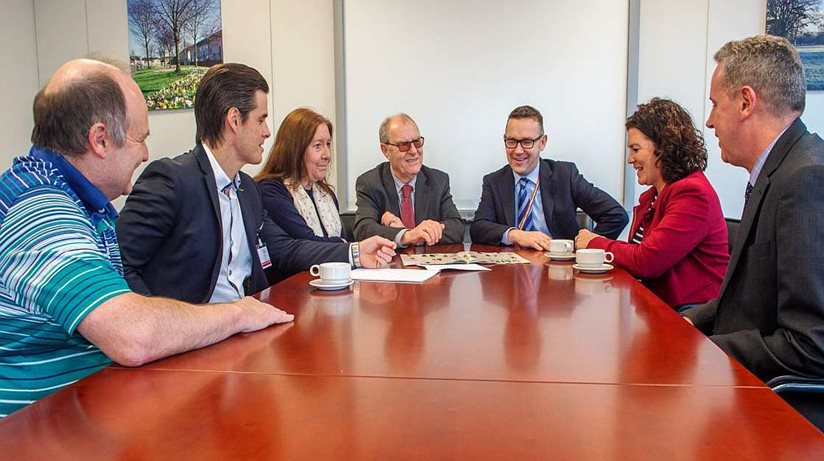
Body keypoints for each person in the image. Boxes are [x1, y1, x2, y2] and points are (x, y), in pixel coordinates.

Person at [0, 59, 293, 418]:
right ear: (100, 139)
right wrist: (237, 313)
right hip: (39, 430)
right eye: (141, 138)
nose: (145, 154)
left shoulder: (80, 203)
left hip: (95, 406)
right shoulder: (42, 212)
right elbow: (133, 335)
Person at [117, 64, 396, 303]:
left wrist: (356, 252)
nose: (267, 132)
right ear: (235, 120)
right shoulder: (171, 180)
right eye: (261, 119)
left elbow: (284, 248)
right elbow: (119, 266)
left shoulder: (247, 190)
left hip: (245, 333)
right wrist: (166, 325)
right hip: (190, 349)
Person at [681, 35, 824, 382]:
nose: (710, 122)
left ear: (746, 102)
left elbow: (811, 344)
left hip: (779, 411)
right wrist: (684, 325)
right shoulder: (782, 168)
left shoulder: (805, 179)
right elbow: (748, 299)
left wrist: (706, 349)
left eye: (715, 105)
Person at [575, 98, 729, 310]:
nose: (630, 159)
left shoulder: (692, 193)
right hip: (657, 307)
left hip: (690, 316)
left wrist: (595, 243)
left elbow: (647, 261)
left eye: (636, 149)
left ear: (664, 148)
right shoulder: (655, 196)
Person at [470, 105, 628, 250]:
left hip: (559, 270)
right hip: (512, 271)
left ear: (542, 143)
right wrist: (517, 235)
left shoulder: (565, 175)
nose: (518, 151)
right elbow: (478, 228)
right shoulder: (494, 181)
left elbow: (616, 215)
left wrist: (586, 248)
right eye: (511, 141)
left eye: (527, 142)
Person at [354, 113, 464, 246]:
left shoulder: (438, 180)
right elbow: (364, 230)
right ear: (385, 150)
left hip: (427, 263)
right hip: (389, 263)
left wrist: (417, 235)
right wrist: (406, 236)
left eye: (417, 142)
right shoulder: (370, 183)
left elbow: (457, 228)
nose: (413, 151)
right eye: (404, 145)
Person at [256, 108, 346, 244]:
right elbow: (308, 242)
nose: (327, 155)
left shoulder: (326, 194)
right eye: (318, 146)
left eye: (328, 144)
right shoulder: (271, 190)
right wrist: (346, 246)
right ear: (295, 149)